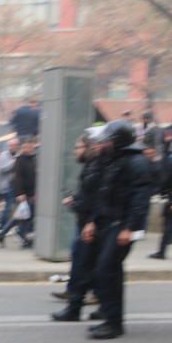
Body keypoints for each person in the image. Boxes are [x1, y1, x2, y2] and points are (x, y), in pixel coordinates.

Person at [78, 120, 152, 339]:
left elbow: (140, 199)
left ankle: (113, 323)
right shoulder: (110, 160)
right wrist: (92, 221)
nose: (105, 144)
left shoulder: (137, 162)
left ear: (118, 141)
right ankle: (110, 318)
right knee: (105, 270)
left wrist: (129, 227)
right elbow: (101, 194)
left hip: (121, 224)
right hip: (107, 222)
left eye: (110, 140)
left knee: (107, 269)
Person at [51, 132, 105, 321]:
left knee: (84, 264)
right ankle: (82, 299)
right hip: (86, 222)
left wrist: (81, 209)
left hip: (90, 224)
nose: (76, 151)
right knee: (84, 262)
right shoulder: (91, 166)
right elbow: (87, 194)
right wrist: (75, 200)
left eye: (78, 147)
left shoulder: (97, 167)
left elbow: (97, 198)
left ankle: (75, 306)